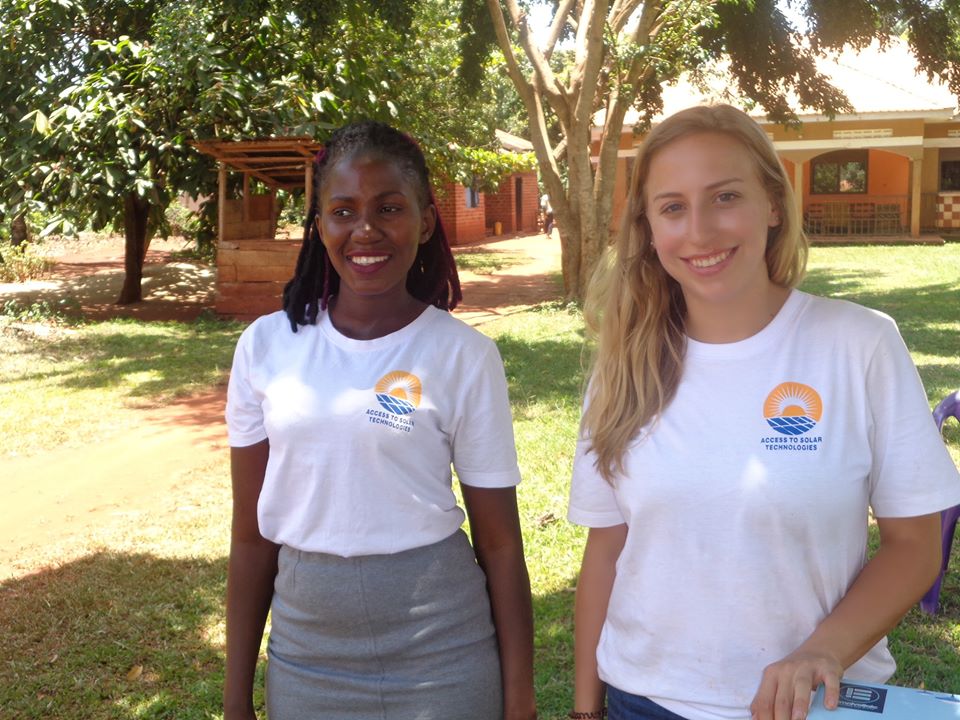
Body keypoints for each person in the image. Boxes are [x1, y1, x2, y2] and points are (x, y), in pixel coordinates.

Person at [567, 104, 960, 720]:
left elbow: (915, 544)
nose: (698, 231)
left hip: (815, 706)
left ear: (773, 204)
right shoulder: (624, 366)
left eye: (724, 197)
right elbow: (607, 551)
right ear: (648, 227)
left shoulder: (859, 344)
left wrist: (822, 651)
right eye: (672, 207)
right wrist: (587, 708)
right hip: (644, 703)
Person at [223, 120, 536, 720]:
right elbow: (249, 535)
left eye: (389, 207)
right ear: (319, 227)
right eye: (343, 210)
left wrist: (520, 701)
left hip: (442, 651)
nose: (365, 229)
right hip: (308, 655)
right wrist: (236, 699)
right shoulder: (266, 347)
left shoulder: (464, 356)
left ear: (424, 221)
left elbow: (499, 544)